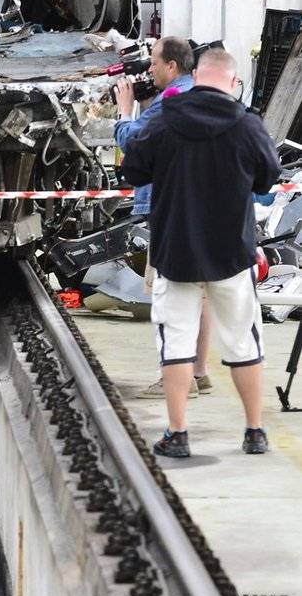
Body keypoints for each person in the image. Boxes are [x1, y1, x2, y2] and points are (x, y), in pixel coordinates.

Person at [120, 48, 281, 458]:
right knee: (244, 342)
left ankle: (177, 434)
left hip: (176, 251)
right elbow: (267, 178)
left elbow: (134, 169)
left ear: (197, 75)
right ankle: (254, 431)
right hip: (232, 254)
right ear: (230, 81)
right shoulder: (247, 125)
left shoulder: (166, 118)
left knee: (175, 343)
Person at [114, 35, 212, 395]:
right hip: (197, 205)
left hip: (171, 209)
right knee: (197, 292)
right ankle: (199, 372)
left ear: (172, 66)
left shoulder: (170, 103)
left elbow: (135, 144)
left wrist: (125, 111)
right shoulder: (197, 95)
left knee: (171, 294)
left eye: (154, 62)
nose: (149, 68)